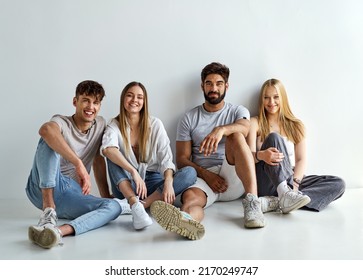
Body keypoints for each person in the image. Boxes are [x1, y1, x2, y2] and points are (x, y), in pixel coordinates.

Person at [150, 62, 267, 240]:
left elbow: (244, 128)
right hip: (204, 179)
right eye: (209, 83)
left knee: (235, 136)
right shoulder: (189, 118)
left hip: (234, 175)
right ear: (202, 86)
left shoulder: (237, 110)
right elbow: (182, 159)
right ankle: (186, 220)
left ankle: (253, 204)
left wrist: (221, 130)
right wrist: (207, 175)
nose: (214, 88)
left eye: (219, 83)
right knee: (190, 199)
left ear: (226, 86)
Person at [26, 80, 125, 249]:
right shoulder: (61, 122)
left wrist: (104, 194)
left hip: (70, 193)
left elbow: (98, 160)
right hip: (43, 186)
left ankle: (56, 232)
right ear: (75, 102)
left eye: (96, 102)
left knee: (114, 207)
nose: (90, 106)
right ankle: (48, 211)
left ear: (100, 105)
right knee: (48, 139)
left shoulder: (100, 124)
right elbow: (46, 130)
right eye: (85, 100)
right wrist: (78, 163)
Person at [101, 81, 198, 231]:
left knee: (190, 173)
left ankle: (140, 206)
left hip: (152, 181)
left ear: (144, 102)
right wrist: (133, 172)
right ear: (123, 99)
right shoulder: (114, 125)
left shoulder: (155, 124)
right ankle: (133, 201)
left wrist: (168, 182)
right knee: (111, 153)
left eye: (139, 97)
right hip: (126, 183)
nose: (134, 100)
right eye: (130, 96)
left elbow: (166, 158)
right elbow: (108, 150)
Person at [246, 78, 345, 212]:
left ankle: (278, 201)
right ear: (262, 100)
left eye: (276, 97)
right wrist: (262, 155)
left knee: (338, 184)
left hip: (290, 178)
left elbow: (301, 159)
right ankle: (285, 195)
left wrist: (295, 183)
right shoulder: (255, 123)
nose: (271, 102)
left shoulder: (296, 125)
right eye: (266, 98)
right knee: (274, 137)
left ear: (283, 98)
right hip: (266, 180)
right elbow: (247, 158)